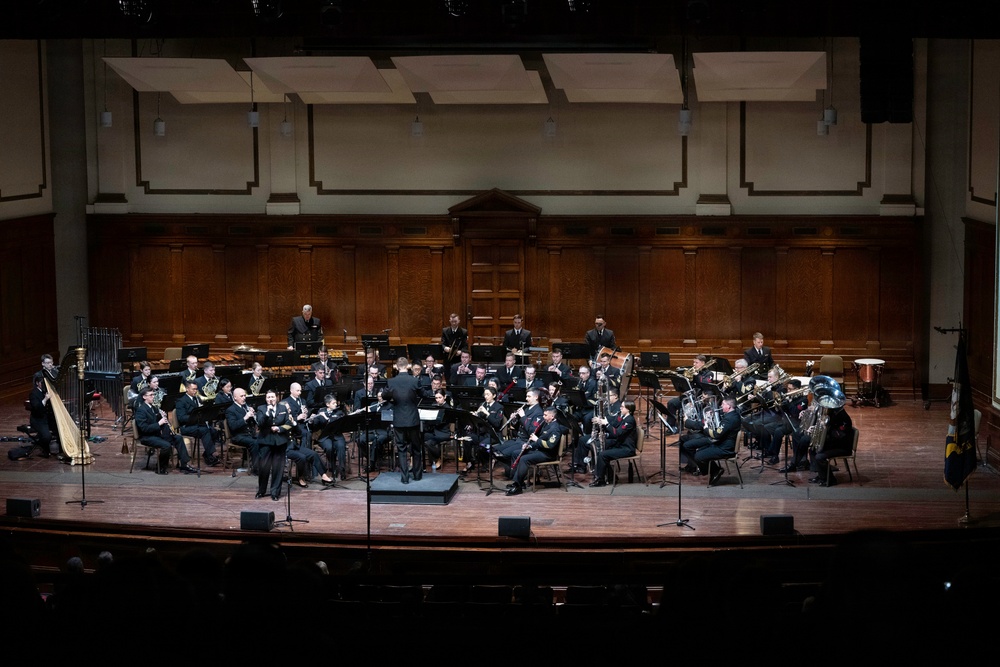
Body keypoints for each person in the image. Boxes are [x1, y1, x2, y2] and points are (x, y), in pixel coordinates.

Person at [135, 387, 196, 474]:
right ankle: (160, 468)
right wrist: (159, 423)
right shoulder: (141, 410)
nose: (153, 397)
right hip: (147, 437)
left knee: (178, 438)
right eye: (151, 395)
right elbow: (144, 428)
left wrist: (162, 416)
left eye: (153, 395)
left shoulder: (153, 407)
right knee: (166, 445)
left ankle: (184, 465)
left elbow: (155, 419)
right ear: (144, 397)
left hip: (155, 434)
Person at [504, 406, 564, 496]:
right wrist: (529, 445)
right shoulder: (546, 423)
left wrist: (536, 440)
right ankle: (519, 482)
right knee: (516, 453)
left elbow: (549, 445)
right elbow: (540, 439)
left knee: (524, 459)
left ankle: (518, 486)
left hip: (547, 454)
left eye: (545, 415)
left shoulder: (555, 429)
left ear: (552, 416)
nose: (543, 416)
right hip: (540, 450)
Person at [680, 396, 741, 483]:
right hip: (722, 443)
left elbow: (716, 435)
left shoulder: (730, 419)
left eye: (723, 404)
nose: (721, 406)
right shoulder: (732, 415)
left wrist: (705, 428)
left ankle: (714, 470)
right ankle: (714, 469)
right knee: (696, 450)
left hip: (725, 448)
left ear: (728, 407)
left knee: (698, 456)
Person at [382, 357, 423, 483]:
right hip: (413, 419)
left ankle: (404, 478)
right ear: (408, 366)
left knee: (401, 448)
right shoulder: (414, 380)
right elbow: (424, 394)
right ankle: (417, 475)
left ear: (396, 367)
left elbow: (385, 395)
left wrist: (392, 399)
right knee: (416, 448)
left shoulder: (391, 381)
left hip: (399, 419)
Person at [589, 400, 638, 487]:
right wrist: (603, 424)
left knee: (603, 455)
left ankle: (600, 480)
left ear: (628, 409)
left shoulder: (629, 420)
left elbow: (618, 433)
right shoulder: (622, 416)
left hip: (627, 449)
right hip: (620, 445)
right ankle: (610, 476)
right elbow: (614, 425)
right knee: (602, 450)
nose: (620, 408)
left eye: (622, 407)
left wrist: (607, 424)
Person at [282, 382, 321, 487]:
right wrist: (297, 418)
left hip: (303, 426)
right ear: (291, 391)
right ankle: (304, 462)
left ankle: (308, 466)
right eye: (297, 391)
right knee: (306, 434)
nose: (299, 393)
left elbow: (306, 414)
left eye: (300, 391)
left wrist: (308, 415)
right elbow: (285, 419)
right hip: (293, 428)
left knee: (308, 433)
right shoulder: (286, 402)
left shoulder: (302, 400)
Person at [256, 390, 292, 500]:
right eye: (268, 397)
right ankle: (261, 490)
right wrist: (267, 413)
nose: (270, 399)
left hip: (280, 441)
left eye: (272, 397)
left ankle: (275, 492)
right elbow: (260, 424)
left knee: (278, 468)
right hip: (266, 441)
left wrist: (279, 428)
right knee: (264, 467)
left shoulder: (283, 408)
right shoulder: (261, 409)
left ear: (276, 398)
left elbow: (288, 423)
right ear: (266, 399)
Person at [175, 380, 220, 466]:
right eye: (193, 389)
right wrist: (195, 416)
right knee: (204, 430)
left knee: (213, 431)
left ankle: (207, 454)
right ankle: (211, 454)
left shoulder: (196, 398)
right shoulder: (181, 401)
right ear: (187, 389)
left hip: (196, 424)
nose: (195, 391)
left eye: (196, 389)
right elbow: (181, 418)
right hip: (186, 427)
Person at [809, 405, 854, 486]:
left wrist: (825, 432)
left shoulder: (844, 418)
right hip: (834, 444)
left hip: (842, 447)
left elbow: (839, 436)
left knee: (820, 456)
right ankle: (821, 475)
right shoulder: (832, 414)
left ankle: (830, 479)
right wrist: (817, 429)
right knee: (812, 449)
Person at [310, 393, 344, 483]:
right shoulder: (321, 411)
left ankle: (342, 469)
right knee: (329, 447)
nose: (336, 404)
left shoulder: (339, 412)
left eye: (336, 403)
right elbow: (315, 425)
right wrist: (312, 419)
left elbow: (338, 422)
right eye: (333, 403)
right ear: (327, 404)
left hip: (337, 435)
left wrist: (325, 418)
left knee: (341, 446)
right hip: (325, 436)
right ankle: (332, 467)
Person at [225, 388, 258, 470]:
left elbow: (253, 424)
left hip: (249, 433)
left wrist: (254, 416)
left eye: (244, 396)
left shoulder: (245, 407)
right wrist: (245, 418)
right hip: (238, 436)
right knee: (254, 443)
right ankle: (256, 468)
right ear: (235, 397)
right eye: (241, 396)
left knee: (266, 438)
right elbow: (233, 426)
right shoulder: (230, 410)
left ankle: (265, 464)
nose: (244, 398)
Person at [28, 372, 56, 457]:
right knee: (47, 436)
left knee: (60, 430)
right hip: (38, 420)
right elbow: (37, 408)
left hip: (47, 418)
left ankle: (62, 451)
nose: (44, 385)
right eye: (42, 383)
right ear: (37, 383)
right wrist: (45, 399)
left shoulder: (45, 391)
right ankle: (45, 451)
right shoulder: (33, 394)